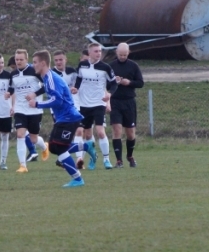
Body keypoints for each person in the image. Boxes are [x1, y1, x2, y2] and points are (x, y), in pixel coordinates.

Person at [27, 50, 97, 188]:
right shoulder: (47, 77)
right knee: (54, 147)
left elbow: (57, 101)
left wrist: (37, 103)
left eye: (35, 62)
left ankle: (77, 179)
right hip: (63, 118)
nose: (33, 65)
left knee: (58, 148)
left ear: (42, 63)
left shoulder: (52, 79)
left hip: (69, 117)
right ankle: (85, 146)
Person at [73, 42, 118, 170]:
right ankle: (92, 158)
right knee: (87, 134)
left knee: (100, 132)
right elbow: (79, 80)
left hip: (98, 103)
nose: (99, 53)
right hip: (83, 104)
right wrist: (75, 88)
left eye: (100, 51)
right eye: (96, 51)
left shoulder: (105, 67)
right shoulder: (82, 65)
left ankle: (106, 160)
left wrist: (109, 94)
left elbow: (114, 84)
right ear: (89, 53)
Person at [6, 49, 49, 173]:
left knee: (33, 139)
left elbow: (46, 86)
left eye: (21, 59)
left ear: (26, 60)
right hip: (20, 108)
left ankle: (44, 146)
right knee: (20, 135)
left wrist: (34, 94)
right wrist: (8, 93)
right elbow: (11, 87)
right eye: (17, 59)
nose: (18, 62)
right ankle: (23, 166)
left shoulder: (34, 71)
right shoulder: (13, 74)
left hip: (34, 109)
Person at [108, 43, 144, 168]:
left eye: (125, 54)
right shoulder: (111, 66)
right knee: (117, 130)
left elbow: (140, 83)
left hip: (129, 102)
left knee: (130, 134)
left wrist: (129, 82)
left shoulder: (133, 66)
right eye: (120, 54)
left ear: (128, 53)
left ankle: (130, 156)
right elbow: (106, 84)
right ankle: (119, 161)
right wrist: (114, 81)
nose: (122, 57)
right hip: (115, 101)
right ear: (116, 52)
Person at [52, 50, 85, 168]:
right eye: (56, 60)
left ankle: (79, 159)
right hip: (59, 110)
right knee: (64, 136)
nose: (58, 62)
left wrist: (76, 87)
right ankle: (62, 158)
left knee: (79, 131)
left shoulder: (72, 72)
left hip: (73, 107)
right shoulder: (51, 74)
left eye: (60, 60)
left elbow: (80, 80)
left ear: (65, 60)